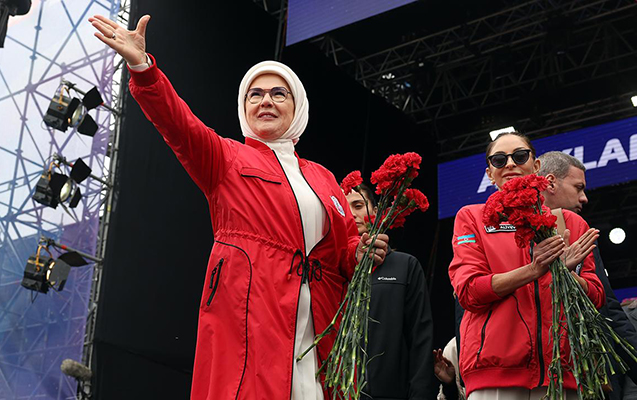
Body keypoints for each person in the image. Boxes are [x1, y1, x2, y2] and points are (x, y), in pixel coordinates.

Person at [89, 14, 390, 400]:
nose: (266, 101)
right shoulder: (226, 158)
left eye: (278, 93)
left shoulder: (325, 178)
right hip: (253, 318)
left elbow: (344, 250)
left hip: (320, 328)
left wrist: (360, 253)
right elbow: (178, 124)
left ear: (297, 106)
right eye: (255, 94)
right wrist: (144, 69)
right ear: (243, 106)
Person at [448, 132, 604, 399]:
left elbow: (597, 298)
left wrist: (565, 274)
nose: (510, 164)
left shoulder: (570, 223)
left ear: (536, 165)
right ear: (489, 173)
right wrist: (534, 269)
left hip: (564, 372)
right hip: (496, 375)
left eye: (520, 156)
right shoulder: (471, 217)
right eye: (499, 160)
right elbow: (469, 291)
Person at [538, 151, 637, 400]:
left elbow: (607, 309)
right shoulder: (505, 231)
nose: (584, 197)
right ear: (550, 183)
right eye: (578, 187)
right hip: (532, 376)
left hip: (588, 375)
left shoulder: (581, 232)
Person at [345, 184, 436, 399]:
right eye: (345, 208)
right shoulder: (327, 270)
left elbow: (420, 338)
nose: (352, 214)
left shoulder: (405, 266)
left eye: (358, 206)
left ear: (376, 211)